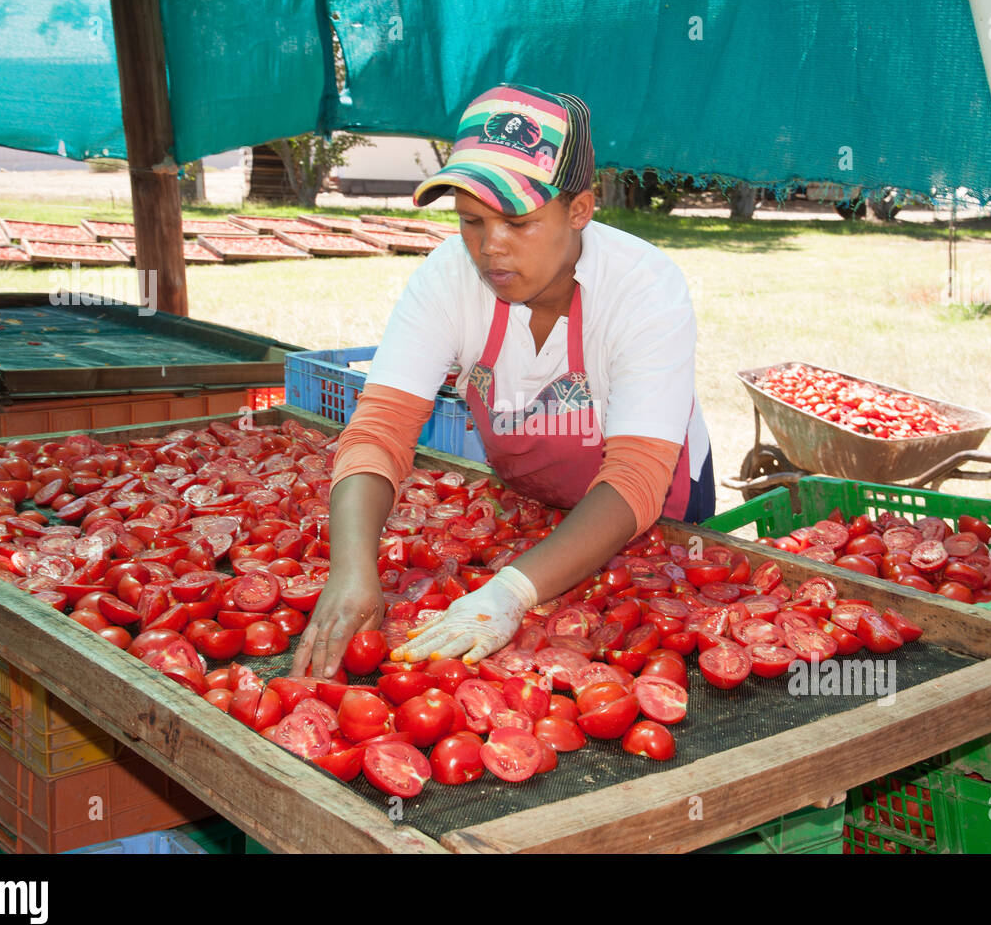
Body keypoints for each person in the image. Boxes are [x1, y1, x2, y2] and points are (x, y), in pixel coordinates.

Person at [290, 82, 714, 680]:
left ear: (579, 210)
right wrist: (352, 571)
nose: (491, 249)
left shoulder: (645, 289)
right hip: (533, 498)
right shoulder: (447, 279)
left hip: (647, 508)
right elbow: (381, 430)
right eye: (470, 221)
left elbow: (637, 476)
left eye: (518, 221)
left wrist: (511, 592)